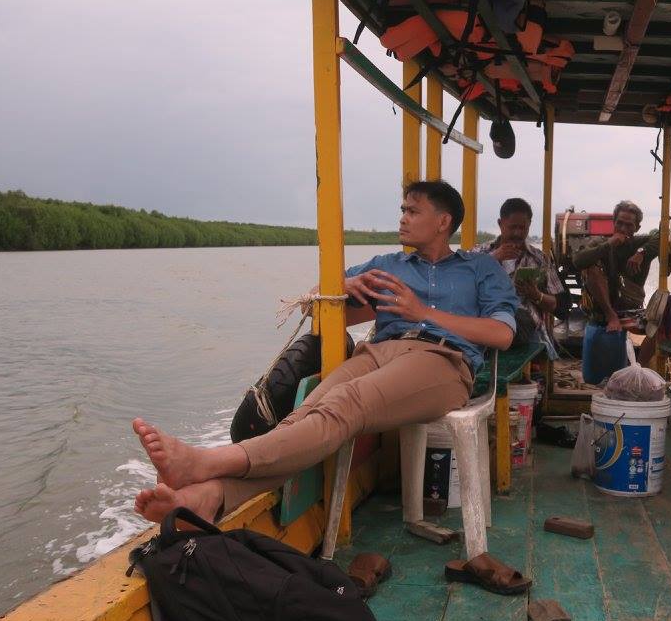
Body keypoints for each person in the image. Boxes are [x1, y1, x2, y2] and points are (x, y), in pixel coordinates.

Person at [130, 179, 520, 524]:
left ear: (443, 221)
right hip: (379, 352)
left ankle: (207, 462)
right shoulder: (387, 265)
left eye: (412, 211)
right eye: (402, 209)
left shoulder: (480, 268)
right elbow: (311, 305)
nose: (402, 218)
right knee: (302, 417)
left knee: (344, 403)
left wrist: (423, 313)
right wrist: (342, 286)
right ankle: (212, 496)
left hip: (443, 360)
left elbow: (502, 334)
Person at [569, 200, 659, 383]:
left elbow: (664, 236)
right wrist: (609, 245)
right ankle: (611, 316)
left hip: (630, 310)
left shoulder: (640, 243)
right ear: (613, 222)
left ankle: (638, 370)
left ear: (637, 227)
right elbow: (578, 260)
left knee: (662, 325)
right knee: (591, 267)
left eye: (629, 225)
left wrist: (641, 253)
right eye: (620, 223)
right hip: (604, 311)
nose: (623, 228)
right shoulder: (601, 241)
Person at [479, 197, 566, 359]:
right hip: (486, 321)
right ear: (500, 224)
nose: (517, 233)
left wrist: (536, 295)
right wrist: (492, 259)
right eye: (512, 227)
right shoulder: (480, 254)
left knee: (516, 320)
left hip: (527, 329)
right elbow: (461, 286)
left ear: (529, 225)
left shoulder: (539, 259)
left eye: (522, 228)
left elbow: (557, 304)